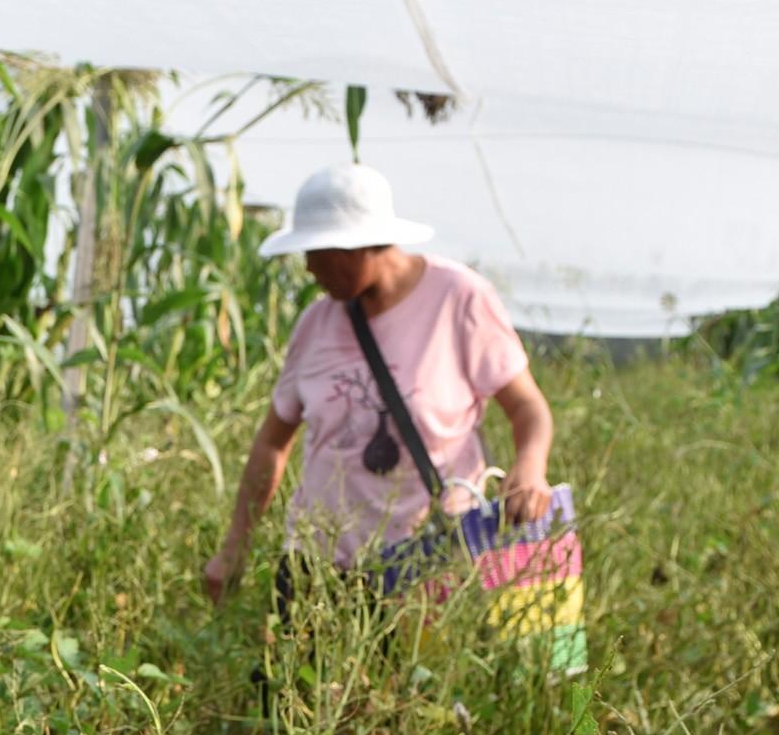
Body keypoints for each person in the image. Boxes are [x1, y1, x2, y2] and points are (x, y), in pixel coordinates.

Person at [202, 163, 554, 618]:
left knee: (411, 690)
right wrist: (234, 548)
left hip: (424, 566)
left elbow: (529, 408)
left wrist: (530, 466)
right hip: (316, 569)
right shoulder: (315, 324)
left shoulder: (458, 299)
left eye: (318, 252)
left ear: (359, 246)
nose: (308, 267)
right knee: (294, 689)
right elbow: (273, 442)